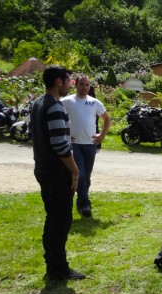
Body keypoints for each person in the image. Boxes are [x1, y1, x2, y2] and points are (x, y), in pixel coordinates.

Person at [30, 65, 85, 281]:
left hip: (42, 167)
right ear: (58, 82)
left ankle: (52, 263)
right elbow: (60, 145)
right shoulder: (54, 106)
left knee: (52, 217)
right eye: (68, 80)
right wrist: (74, 170)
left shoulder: (37, 103)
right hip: (56, 171)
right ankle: (59, 268)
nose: (70, 84)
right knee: (61, 219)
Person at [61, 75, 111, 218]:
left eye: (87, 85)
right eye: (81, 84)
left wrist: (101, 135)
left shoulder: (94, 102)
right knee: (80, 175)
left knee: (86, 177)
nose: (84, 87)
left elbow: (107, 119)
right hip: (74, 144)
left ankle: (80, 203)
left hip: (90, 145)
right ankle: (85, 205)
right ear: (75, 85)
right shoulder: (67, 102)